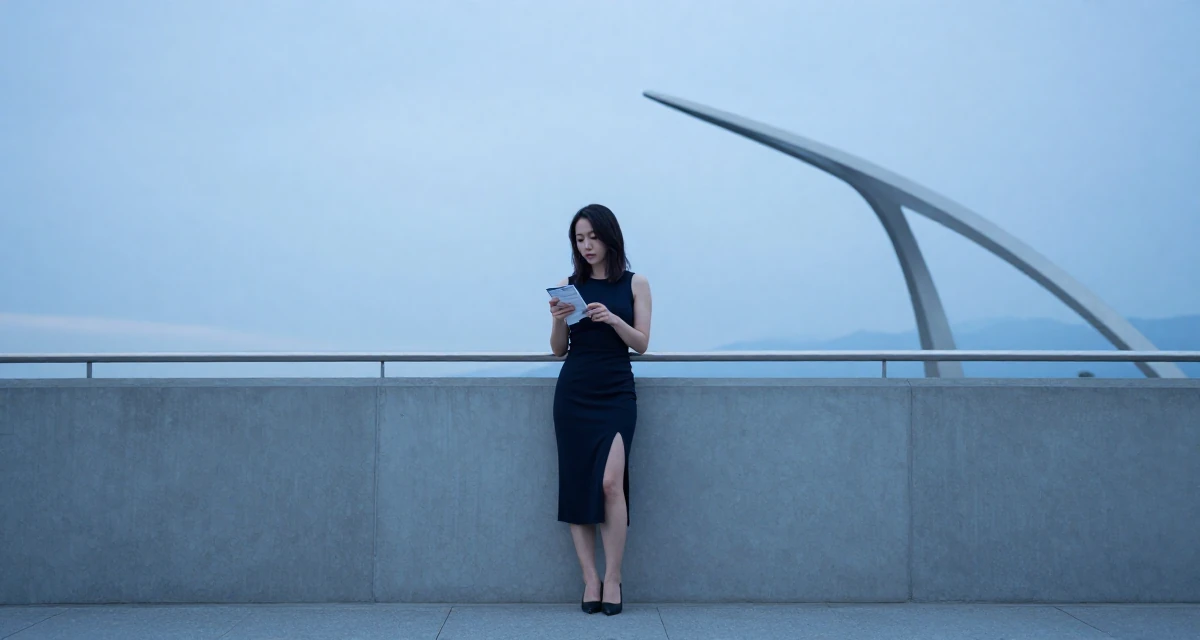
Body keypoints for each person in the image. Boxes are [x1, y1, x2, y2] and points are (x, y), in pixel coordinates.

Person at [548, 204, 652, 617]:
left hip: (615, 392)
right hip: (574, 391)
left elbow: (641, 342)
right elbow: (558, 349)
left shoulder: (635, 282)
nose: (586, 245)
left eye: (592, 236)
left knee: (611, 482)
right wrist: (557, 319)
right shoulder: (567, 285)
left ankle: (614, 577)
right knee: (576, 483)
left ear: (609, 237)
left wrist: (612, 320)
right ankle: (590, 578)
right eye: (579, 238)